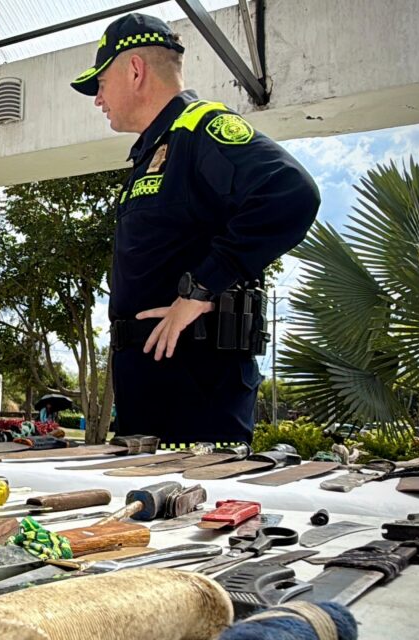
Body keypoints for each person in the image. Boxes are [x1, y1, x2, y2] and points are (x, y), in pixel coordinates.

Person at [70, 14, 319, 445]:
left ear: (134, 70)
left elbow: (291, 192)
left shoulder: (201, 127)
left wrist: (201, 289)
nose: (98, 100)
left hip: (196, 387)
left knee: (197, 510)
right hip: (151, 383)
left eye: (102, 83)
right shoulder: (155, 148)